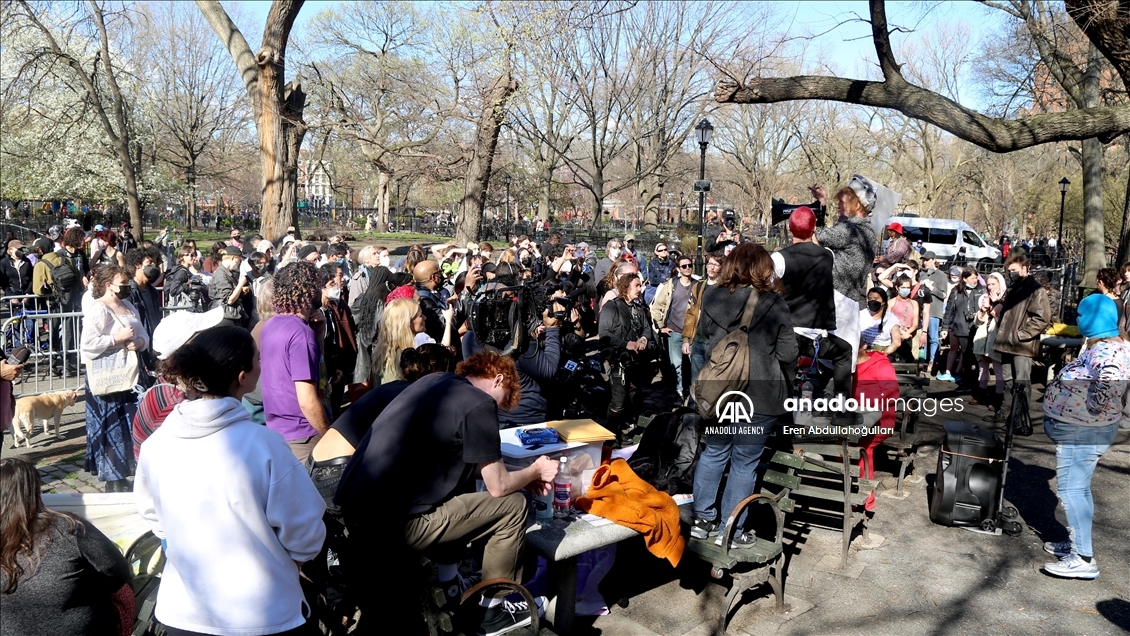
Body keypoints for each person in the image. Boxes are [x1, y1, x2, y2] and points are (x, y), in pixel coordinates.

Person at [336, 351, 557, 635]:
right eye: (501, 404)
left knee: (463, 491)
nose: (497, 413)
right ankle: (493, 611)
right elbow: (498, 486)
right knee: (513, 506)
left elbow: (463, 466)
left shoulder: (434, 383)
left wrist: (522, 474)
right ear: (498, 379)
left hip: (356, 514)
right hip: (395, 528)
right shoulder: (479, 403)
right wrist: (536, 471)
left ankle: (450, 585)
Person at [134, 326, 327, 635]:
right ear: (243, 377)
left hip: (182, 612)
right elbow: (304, 530)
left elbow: (153, 517)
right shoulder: (265, 445)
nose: (261, 366)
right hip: (263, 615)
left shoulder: (156, 444)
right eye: (258, 360)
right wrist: (288, 564)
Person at [691, 243, 797, 547]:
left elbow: (709, 337)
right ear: (763, 268)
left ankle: (701, 520)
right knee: (745, 463)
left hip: (719, 390)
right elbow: (789, 353)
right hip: (761, 395)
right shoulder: (773, 303)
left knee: (714, 452)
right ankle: (732, 530)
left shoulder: (710, 295)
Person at [1039, 294, 1129, 580]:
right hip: (1085, 429)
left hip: (1084, 431)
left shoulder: (1106, 351)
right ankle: (1078, 541)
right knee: (1081, 489)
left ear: (1093, 318)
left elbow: (1110, 382)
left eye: (1080, 314)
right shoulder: (1108, 344)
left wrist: (1090, 409)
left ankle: (1083, 559)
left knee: (1071, 491)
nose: (1076, 318)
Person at [0, 457, 131, 636]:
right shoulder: (68, 527)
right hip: (81, 628)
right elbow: (118, 572)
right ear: (35, 490)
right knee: (125, 595)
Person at [771, 206, 854, 399]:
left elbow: (766, 291)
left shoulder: (779, 258)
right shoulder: (828, 256)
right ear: (814, 228)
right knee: (844, 352)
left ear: (790, 228)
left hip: (789, 334)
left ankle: (781, 409)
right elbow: (818, 246)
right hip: (817, 335)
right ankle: (841, 408)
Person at [80, 265, 149, 492]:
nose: (127, 286)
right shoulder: (98, 309)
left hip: (131, 373)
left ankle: (137, 472)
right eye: (122, 283)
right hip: (107, 378)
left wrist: (139, 342)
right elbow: (87, 345)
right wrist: (116, 338)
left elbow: (143, 334)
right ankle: (114, 478)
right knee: (113, 426)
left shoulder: (128, 305)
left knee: (133, 422)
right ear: (109, 285)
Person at [131, 307, 226, 459]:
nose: (212, 341)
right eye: (205, 336)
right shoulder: (176, 406)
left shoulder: (176, 382)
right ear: (186, 350)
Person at [260, 261, 331, 462]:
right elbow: (308, 401)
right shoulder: (300, 334)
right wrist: (330, 436)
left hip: (278, 432)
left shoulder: (270, 326)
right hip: (304, 436)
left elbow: (317, 374)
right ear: (308, 290)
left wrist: (319, 336)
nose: (322, 290)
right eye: (319, 285)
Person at [986, 254, 1051, 424]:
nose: (1011, 274)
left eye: (1014, 270)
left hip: (1022, 345)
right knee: (1008, 381)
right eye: (1009, 271)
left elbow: (1042, 318)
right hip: (1007, 343)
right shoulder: (1014, 288)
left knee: (1021, 383)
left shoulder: (1036, 290)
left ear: (1025, 268)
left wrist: (1021, 335)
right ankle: (1005, 413)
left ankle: (1020, 418)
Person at [599, 273, 658, 442]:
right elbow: (604, 333)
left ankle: (624, 427)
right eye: (636, 286)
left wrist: (643, 339)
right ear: (626, 287)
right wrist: (627, 344)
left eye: (640, 286)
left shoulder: (638, 308)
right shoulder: (612, 307)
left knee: (632, 396)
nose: (640, 289)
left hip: (635, 362)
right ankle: (610, 436)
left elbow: (646, 329)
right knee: (618, 401)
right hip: (617, 360)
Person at [811, 184, 877, 307]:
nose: (837, 205)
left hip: (836, 301)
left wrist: (820, 206)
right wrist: (822, 203)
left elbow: (818, 235)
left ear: (857, 205)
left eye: (842, 202)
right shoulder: (867, 230)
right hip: (849, 301)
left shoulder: (851, 230)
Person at [651, 254, 695, 400]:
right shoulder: (671, 285)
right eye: (684, 266)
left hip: (691, 332)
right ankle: (678, 391)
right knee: (676, 363)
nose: (687, 268)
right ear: (678, 269)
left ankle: (691, 391)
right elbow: (655, 307)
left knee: (691, 363)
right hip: (674, 329)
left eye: (690, 265)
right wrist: (661, 326)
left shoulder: (697, 285)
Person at [319, 263, 357, 418]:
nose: (339, 282)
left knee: (335, 406)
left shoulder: (334, 306)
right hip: (327, 368)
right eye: (332, 283)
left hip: (337, 364)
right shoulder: (318, 314)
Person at [682, 251, 723, 386]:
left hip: (716, 342)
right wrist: (686, 339)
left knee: (712, 381)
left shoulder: (726, 288)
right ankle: (694, 406)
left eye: (716, 265)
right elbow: (691, 314)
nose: (712, 267)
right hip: (698, 340)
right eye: (710, 263)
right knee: (696, 380)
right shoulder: (699, 286)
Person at [937, 267, 983, 383]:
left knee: (972, 353)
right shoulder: (956, 291)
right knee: (964, 351)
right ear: (965, 278)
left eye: (976, 278)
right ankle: (961, 376)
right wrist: (945, 327)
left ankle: (969, 378)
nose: (975, 280)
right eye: (972, 278)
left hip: (976, 327)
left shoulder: (981, 290)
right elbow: (949, 310)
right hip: (960, 326)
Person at [973, 272, 1007, 411]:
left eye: (993, 284)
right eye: (988, 284)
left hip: (997, 338)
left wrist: (995, 303)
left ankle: (998, 398)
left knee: (999, 371)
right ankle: (981, 394)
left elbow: (999, 317)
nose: (990, 287)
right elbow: (977, 321)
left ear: (1000, 284)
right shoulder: (984, 298)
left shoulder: (1005, 299)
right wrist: (982, 310)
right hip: (983, 337)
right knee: (982, 369)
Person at [124, 246, 165, 344]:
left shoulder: (153, 292)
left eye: (155, 262)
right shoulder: (129, 293)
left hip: (153, 343)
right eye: (149, 262)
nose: (154, 265)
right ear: (137, 264)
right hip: (137, 344)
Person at [918, 251, 949, 374]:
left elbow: (944, 294)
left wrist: (931, 288)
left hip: (935, 310)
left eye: (927, 260)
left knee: (933, 337)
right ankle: (922, 360)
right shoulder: (921, 274)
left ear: (933, 260)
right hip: (922, 310)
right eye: (923, 260)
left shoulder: (941, 275)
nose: (924, 262)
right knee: (922, 336)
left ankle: (933, 361)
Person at [208, 246, 250, 328]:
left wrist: (241, 292)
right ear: (233, 258)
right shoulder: (221, 275)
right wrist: (241, 283)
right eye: (239, 259)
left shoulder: (227, 272)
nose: (240, 262)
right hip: (225, 318)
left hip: (228, 315)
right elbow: (229, 300)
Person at [859, 287, 902, 355]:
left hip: (884, 353)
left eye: (876, 299)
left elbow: (897, 342)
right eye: (870, 299)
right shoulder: (861, 315)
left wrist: (884, 354)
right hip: (862, 352)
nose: (872, 301)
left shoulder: (891, 318)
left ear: (883, 302)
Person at [888, 275, 920, 363]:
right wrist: (900, 334)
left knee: (908, 360)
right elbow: (888, 321)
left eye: (908, 287)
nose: (905, 290)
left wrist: (906, 334)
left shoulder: (914, 303)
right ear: (897, 287)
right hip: (892, 336)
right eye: (903, 287)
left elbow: (915, 324)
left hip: (907, 337)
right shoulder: (891, 302)